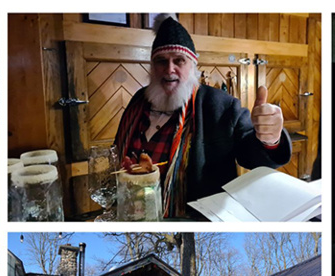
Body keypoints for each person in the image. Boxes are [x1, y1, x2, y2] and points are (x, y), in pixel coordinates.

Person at [113, 14, 292, 218]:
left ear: (193, 66)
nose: (169, 69)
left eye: (179, 61)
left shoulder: (221, 106)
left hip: (194, 217)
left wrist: (270, 138)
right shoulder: (138, 100)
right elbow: (117, 149)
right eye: (161, 61)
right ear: (152, 67)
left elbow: (251, 155)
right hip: (133, 212)